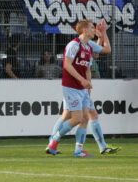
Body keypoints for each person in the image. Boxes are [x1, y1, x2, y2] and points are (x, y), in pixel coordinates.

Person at [46, 20, 119, 155]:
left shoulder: (89, 46)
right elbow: (67, 65)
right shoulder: (74, 44)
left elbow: (103, 53)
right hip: (71, 87)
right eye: (92, 28)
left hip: (82, 89)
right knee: (75, 118)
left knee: (85, 117)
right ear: (84, 30)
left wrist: (103, 33)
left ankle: (78, 150)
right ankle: (54, 141)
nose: (94, 30)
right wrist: (82, 81)